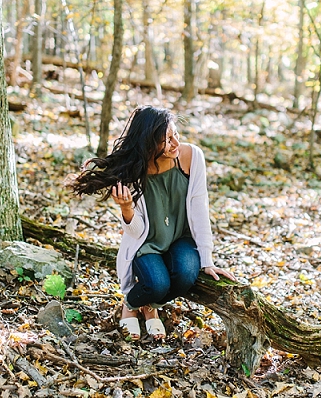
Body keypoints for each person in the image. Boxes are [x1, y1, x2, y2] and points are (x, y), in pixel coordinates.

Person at [69, 106, 234, 340]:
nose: (175, 143)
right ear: (149, 143)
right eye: (167, 140)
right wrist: (126, 209)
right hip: (147, 243)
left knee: (187, 275)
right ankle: (132, 304)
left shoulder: (191, 157)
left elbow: (199, 208)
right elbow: (136, 232)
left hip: (181, 238)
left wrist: (207, 259)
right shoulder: (134, 172)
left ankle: (149, 306)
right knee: (157, 285)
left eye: (175, 134)